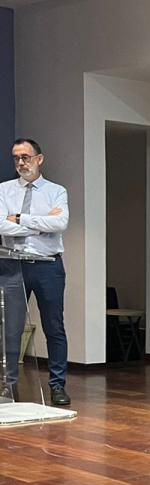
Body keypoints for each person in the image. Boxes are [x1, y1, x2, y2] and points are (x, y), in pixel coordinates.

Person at [0, 139, 70, 405]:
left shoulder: (56, 191)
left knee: (54, 327)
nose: (21, 163)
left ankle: (58, 386)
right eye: (16, 158)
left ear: (39, 159)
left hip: (47, 265)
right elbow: (0, 226)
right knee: (11, 329)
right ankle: (9, 387)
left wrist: (19, 218)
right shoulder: (4, 190)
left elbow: (60, 223)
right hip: (13, 265)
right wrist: (42, 225)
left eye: (26, 157)